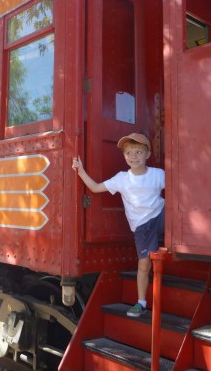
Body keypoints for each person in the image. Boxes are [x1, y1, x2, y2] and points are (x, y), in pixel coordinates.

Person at [72, 133, 165, 317]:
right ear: (124, 156)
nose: (134, 156)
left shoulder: (158, 174)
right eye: (129, 152)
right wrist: (80, 171)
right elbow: (96, 188)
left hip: (161, 215)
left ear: (147, 154)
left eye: (138, 152)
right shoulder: (122, 178)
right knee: (144, 265)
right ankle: (141, 303)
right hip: (142, 226)